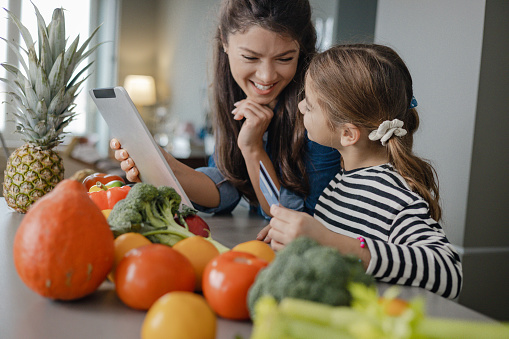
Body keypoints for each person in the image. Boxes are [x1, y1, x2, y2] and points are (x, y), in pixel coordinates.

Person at [264, 44, 463, 299]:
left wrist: (334, 242)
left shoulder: (393, 198)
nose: (301, 107)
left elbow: (449, 271)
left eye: (310, 106)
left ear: (348, 134)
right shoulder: (343, 180)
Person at [111, 0, 341, 217]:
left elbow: (301, 220)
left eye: (285, 59)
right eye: (251, 57)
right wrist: (165, 165)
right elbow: (227, 188)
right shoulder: (235, 94)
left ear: (301, 49)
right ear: (224, 41)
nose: (267, 76)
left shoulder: (321, 109)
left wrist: (252, 150)